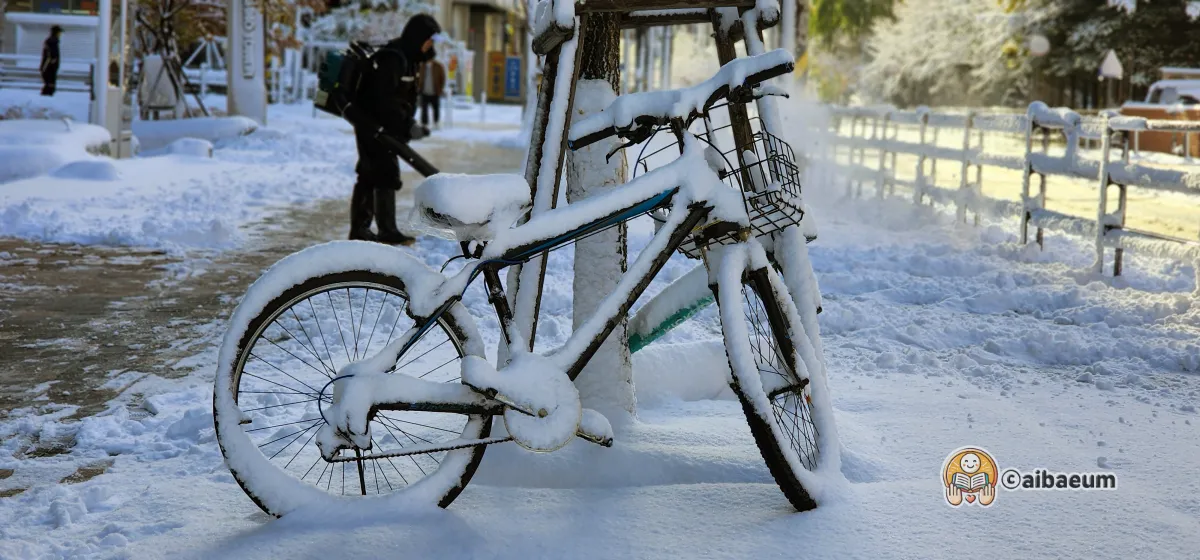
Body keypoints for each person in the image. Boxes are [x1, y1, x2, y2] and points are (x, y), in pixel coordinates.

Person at [348, 14, 439, 244]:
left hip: (384, 127)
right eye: (429, 40)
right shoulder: (393, 58)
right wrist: (408, 125)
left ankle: (367, 229)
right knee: (378, 173)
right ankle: (378, 231)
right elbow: (383, 99)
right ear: (418, 37)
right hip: (372, 124)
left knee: (377, 174)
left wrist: (408, 125)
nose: (431, 45)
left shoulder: (408, 58)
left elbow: (402, 98)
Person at [417, 57, 446, 129]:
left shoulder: (438, 66)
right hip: (424, 91)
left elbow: (442, 78)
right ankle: (424, 123)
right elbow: (418, 77)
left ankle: (436, 122)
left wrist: (440, 88)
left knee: (436, 108)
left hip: (435, 91)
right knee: (424, 109)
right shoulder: (422, 66)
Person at [40, 26, 63, 97]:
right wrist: (54, 60)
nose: (60, 34)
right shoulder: (53, 41)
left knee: (49, 85)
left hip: (48, 67)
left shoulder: (51, 41)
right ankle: (46, 100)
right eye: (59, 32)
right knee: (50, 86)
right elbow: (53, 54)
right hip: (49, 67)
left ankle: (46, 98)